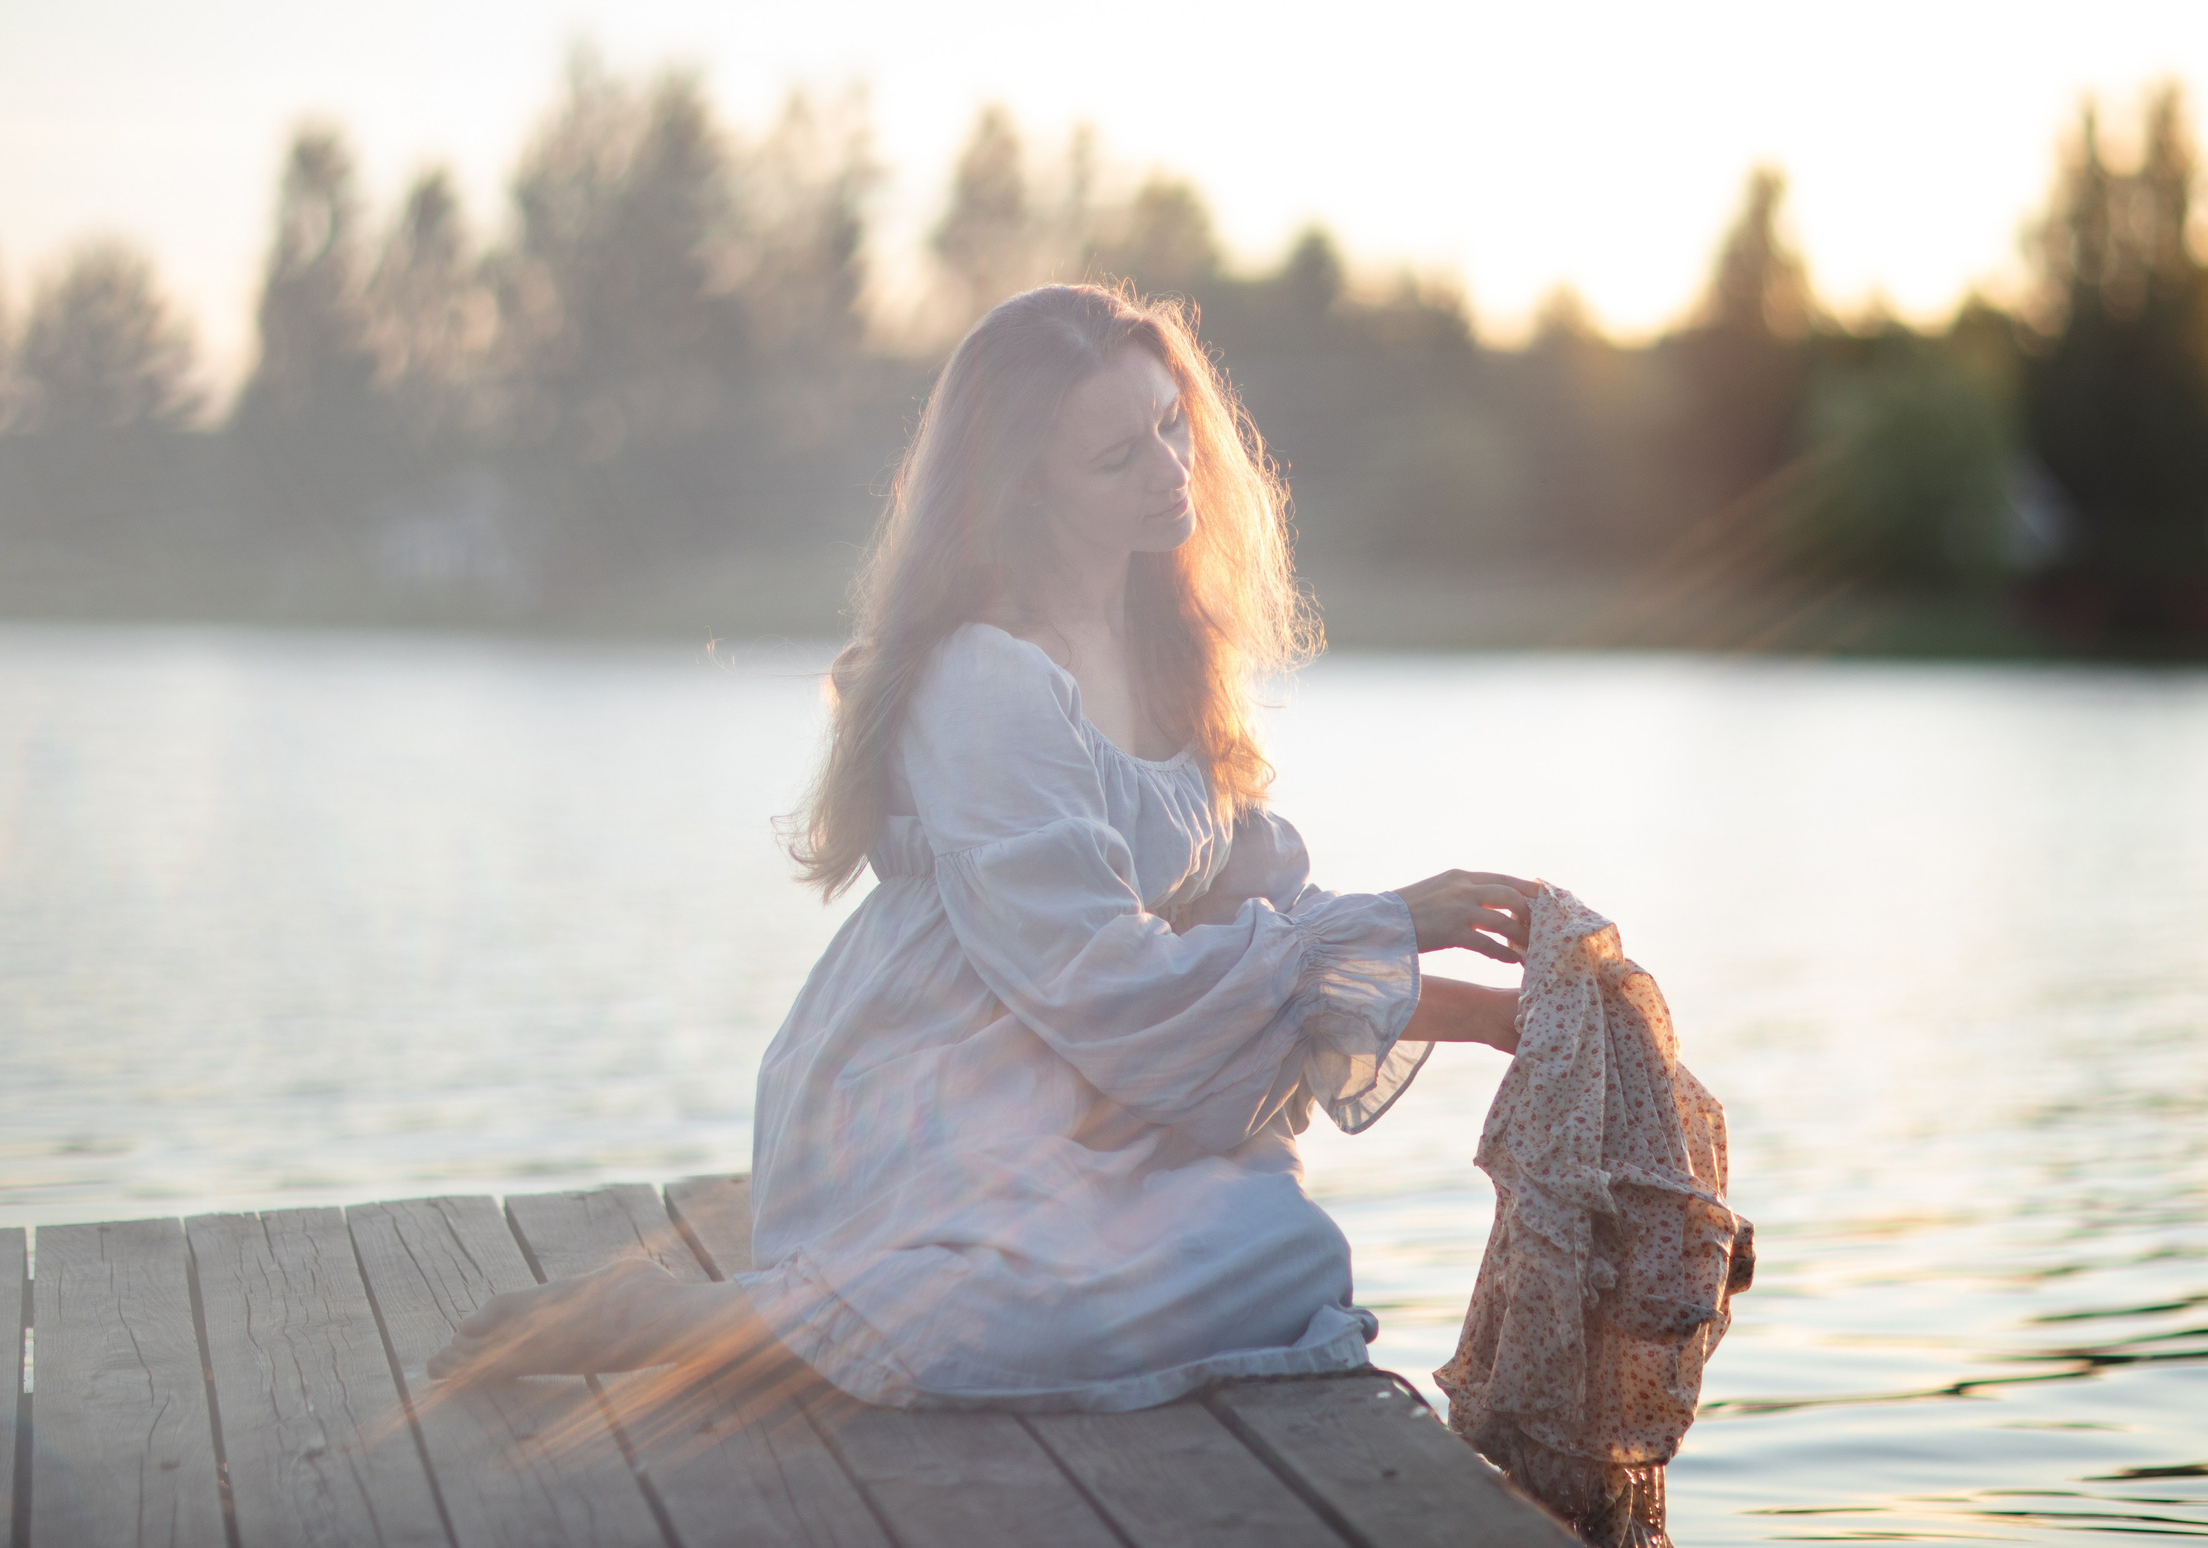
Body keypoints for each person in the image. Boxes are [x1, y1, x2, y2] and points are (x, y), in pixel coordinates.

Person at [428, 284, 1534, 1405]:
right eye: (1116, 457)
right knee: (1007, 1294)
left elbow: (1281, 934)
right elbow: (1099, 985)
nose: (1166, 468)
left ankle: (836, 1310)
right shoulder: (988, 679)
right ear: (1024, 494)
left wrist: (1492, 1014)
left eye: (1168, 425)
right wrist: (1398, 920)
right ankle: (679, 1320)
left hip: (1094, 1102)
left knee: (1287, 1254)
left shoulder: (1170, 653)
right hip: (930, 1093)